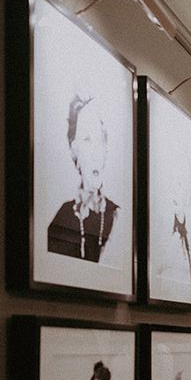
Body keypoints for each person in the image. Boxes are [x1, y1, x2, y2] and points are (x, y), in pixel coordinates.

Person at [47, 96, 119, 263]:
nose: (95, 152)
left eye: (100, 140)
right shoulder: (63, 216)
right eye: (87, 140)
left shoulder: (117, 216)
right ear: (74, 149)